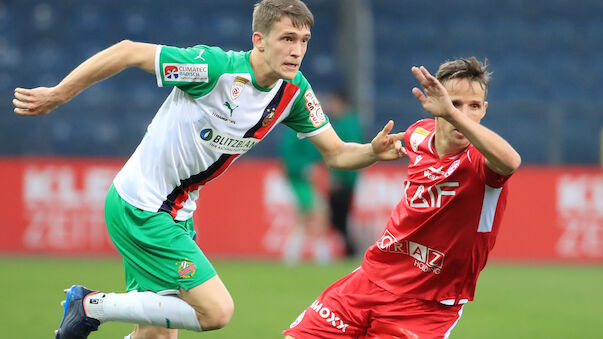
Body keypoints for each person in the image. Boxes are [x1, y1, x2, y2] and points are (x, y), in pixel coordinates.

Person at [12, 0, 405, 338]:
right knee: (217, 312)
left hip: (175, 213)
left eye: (304, 41)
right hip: (142, 207)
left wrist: (371, 150)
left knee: (156, 334)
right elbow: (128, 50)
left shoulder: (294, 93)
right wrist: (58, 93)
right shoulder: (213, 70)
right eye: (287, 38)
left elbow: (337, 154)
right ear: (259, 40)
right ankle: (89, 305)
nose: (296, 50)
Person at [283, 57, 522, 338]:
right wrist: (372, 151)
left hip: (425, 305)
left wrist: (453, 114)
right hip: (371, 278)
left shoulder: (483, 160)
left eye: (474, 106)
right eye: (455, 103)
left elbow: (511, 162)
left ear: (485, 109)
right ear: (436, 102)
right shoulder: (419, 133)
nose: (464, 113)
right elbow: (365, 151)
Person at [279, 127, 333, 264]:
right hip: (299, 181)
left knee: (305, 216)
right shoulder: (295, 133)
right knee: (316, 212)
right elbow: (288, 158)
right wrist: (304, 167)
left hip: (306, 182)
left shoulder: (309, 131)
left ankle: (293, 253)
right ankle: (320, 252)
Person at [323, 90, 363, 258]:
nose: (332, 107)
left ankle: (351, 249)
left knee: (338, 217)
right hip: (349, 178)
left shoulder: (345, 125)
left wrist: (338, 178)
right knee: (341, 217)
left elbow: (344, 153)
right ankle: (349, 249)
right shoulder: (352, 123)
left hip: (344, 179)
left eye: (334, 103)